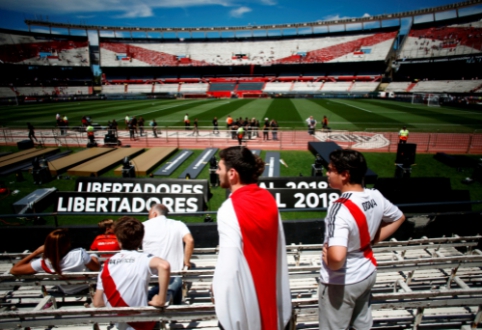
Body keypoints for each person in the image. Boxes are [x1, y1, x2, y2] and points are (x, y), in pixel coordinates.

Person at [319, 149, 406, 330]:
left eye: (330, 170)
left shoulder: (339, 209)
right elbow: (399, 218)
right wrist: (370, 241)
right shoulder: (375, 195)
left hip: (343, 282)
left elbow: (336, 259)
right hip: (367, 272)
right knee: (362, 324)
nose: (327, 174)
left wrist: (328, 259)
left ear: (344, 175)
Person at [213, 146, 292, 330]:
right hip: (272, 299)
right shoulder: (268, 198)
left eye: (220, 168)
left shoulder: (228, 209)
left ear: (232, 173)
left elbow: (229, 269)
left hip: (245, 311)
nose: (217, 172)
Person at [93, 217, 170, 330]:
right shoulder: (144, 258)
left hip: (118, 324)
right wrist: (161, 299)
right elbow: (164, 266)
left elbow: (98, 302)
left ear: (118, 239)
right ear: (141, 238)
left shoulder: (107, 265)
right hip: (140, 324)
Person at [10, 229, 100, 294]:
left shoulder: (44, 262)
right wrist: (93, 255)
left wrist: (35, 252)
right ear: (67, 243)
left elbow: (14, 270)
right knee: (94, 255)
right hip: (85, 287)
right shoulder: (80, 254)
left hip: (66, 290)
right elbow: (96, 268)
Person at [143, 204, 194, 305]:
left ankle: (157, 298)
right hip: (173, 271)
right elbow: (190, 240)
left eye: (149, 214)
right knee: (180, 277)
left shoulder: (143, 225)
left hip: (150, 271)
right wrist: (186, 261)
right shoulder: (178, 224)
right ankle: (173, 305)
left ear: (154, 214)